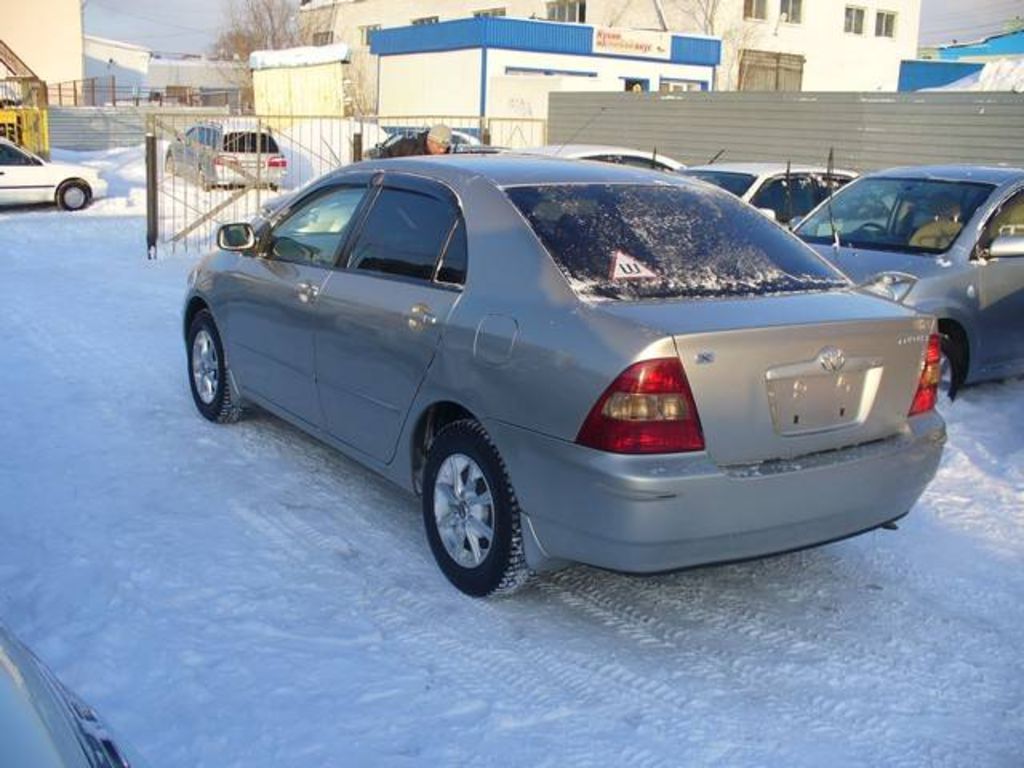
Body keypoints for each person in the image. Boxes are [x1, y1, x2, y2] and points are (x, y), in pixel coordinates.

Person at [379, 124, 453, 158]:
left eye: (445, 147)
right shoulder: (406, 147)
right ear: (429, 141)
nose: (442, 151)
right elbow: (383, 161)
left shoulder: (446, 159)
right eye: (439, 146)